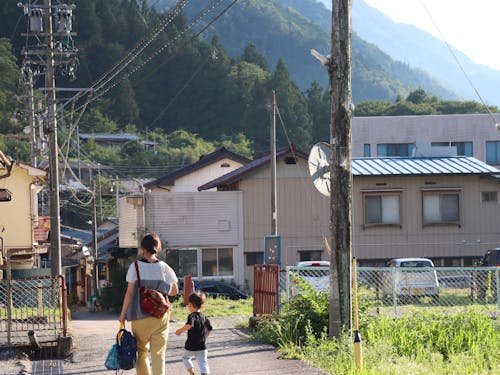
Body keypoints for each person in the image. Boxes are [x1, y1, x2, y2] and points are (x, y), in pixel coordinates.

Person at [119, 232, 178, 375]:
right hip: (161, 316)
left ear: (142, 248)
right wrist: (160, 290)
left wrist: (122, 315)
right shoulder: (164, 267)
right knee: (158, 353)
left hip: (140, 317)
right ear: (157, 247)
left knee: (142, 351)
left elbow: (130, 293)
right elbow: (175, 291)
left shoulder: (136, 267)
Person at [175, 291, 213, 375]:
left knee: (185, 358)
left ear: (190, 305)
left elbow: (189, 325)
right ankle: (205, 373)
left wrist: (179, 331)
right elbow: (210, 329)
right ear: (201, 305)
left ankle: (192, 373)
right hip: (202, 346)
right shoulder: (204, 316)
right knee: (203, 362)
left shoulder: (192, 315)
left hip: (190, 346)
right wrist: (204, 338)